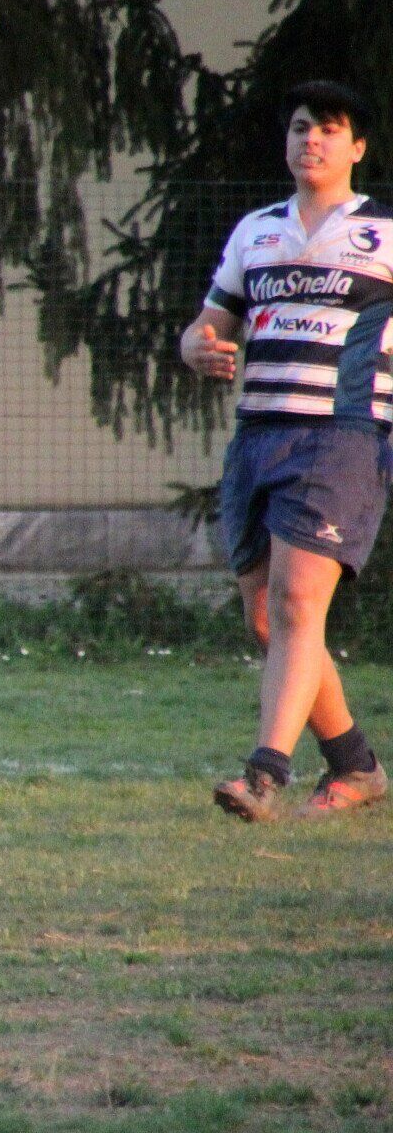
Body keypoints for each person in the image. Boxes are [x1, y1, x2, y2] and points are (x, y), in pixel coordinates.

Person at [180, 79, 389, 822]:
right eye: (302, 127)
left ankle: (263, 775)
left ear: (357, 147)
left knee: (299, 602)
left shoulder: (384, 230)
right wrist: (197, 347)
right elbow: (210, 324)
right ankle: (356, 766)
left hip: (342, 437)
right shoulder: (257, 231)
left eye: (329, 129)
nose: (312, 140)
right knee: (269, 621)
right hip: (258, 437)